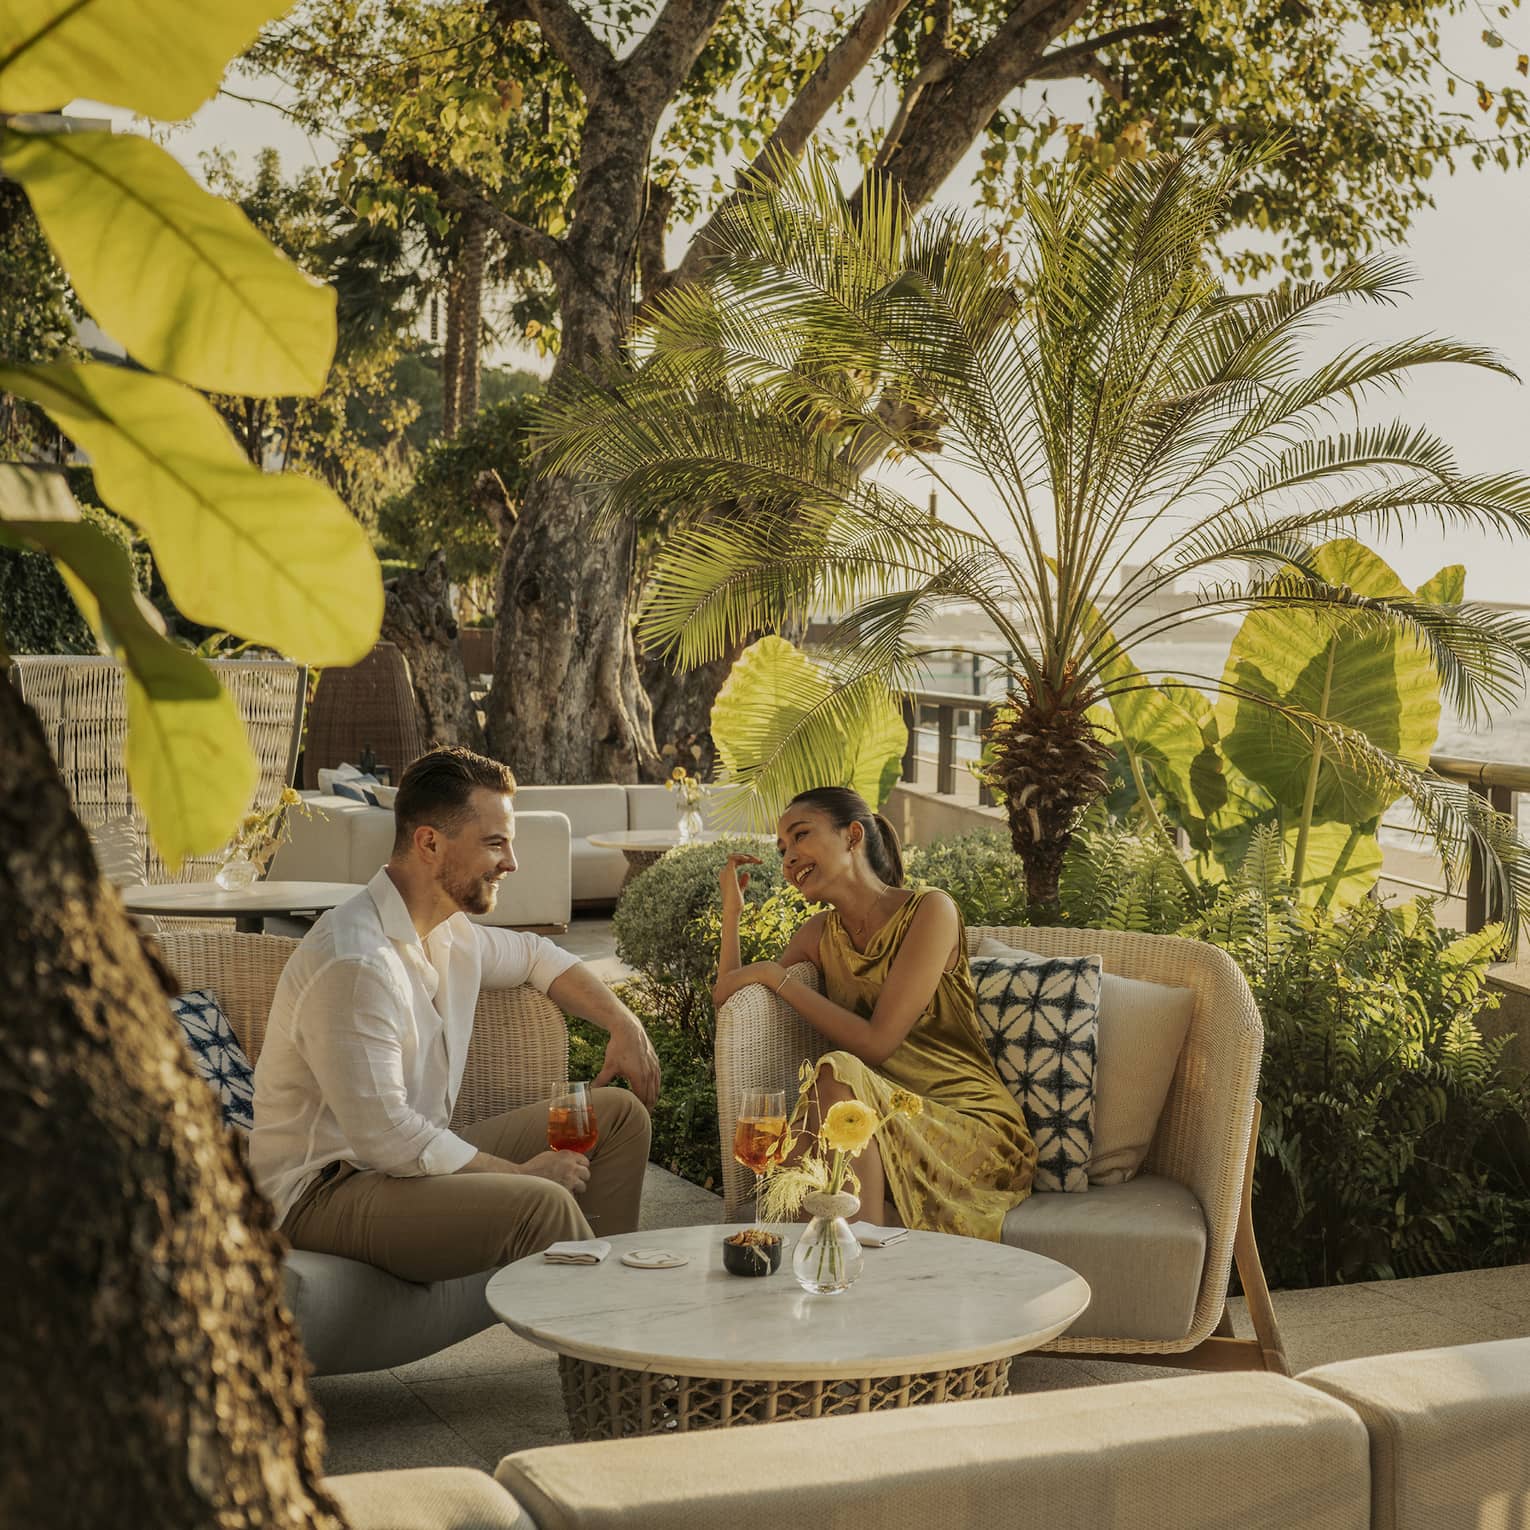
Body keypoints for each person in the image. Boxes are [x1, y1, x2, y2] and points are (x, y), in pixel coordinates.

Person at [250, 746, 661, 1282]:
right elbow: (387, 1137)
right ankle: (617, 1353)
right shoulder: (354, 962)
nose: (511, 863)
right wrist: (520, 1174)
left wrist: (622, 1024)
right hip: (322, 1192)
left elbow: (540, 958)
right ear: (429, 843)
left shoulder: (449, 933)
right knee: (542, 1203)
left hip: (400, 1169)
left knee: (617, 1118)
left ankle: (601, 1335)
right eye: (495, 844)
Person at [712, 786, 1035, 1240]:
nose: (788, 858)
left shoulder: (930, 910)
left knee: (836, 1073)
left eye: (801, 836)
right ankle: (837, 1265)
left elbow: (878, 1042)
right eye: (782, 849)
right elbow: (726, 993)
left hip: (969, 1124)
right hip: (878, 1121)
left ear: (852, 836)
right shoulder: (818, 933)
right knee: (825, 1107)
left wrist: (778, 978)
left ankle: (845, 1265)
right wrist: (732, 912)